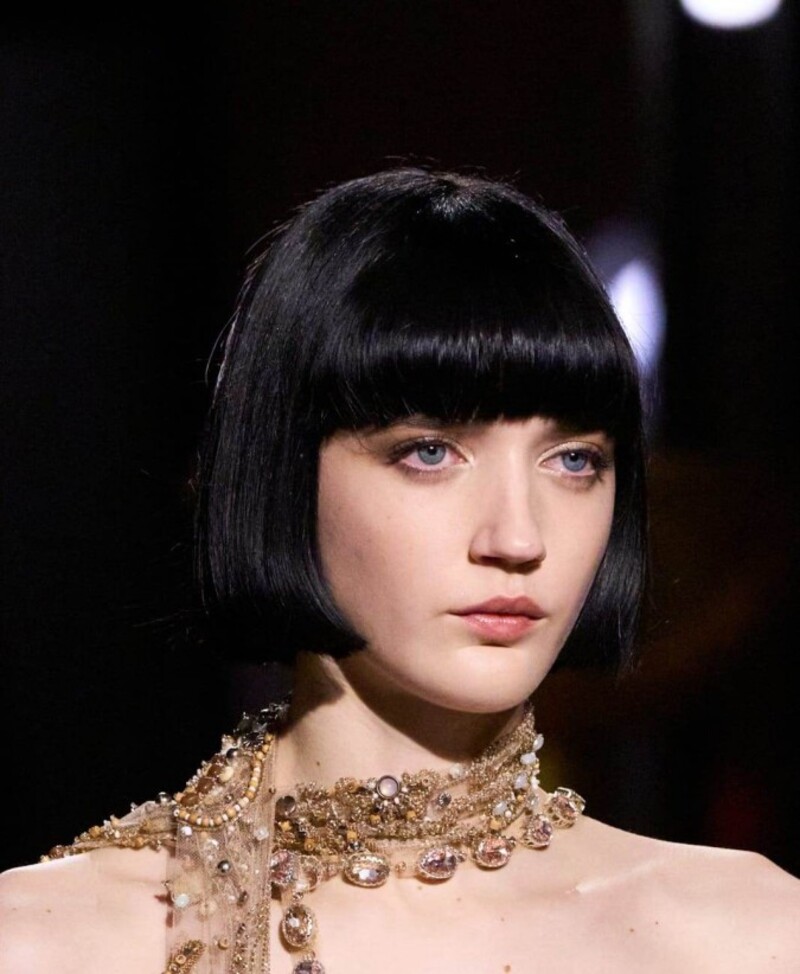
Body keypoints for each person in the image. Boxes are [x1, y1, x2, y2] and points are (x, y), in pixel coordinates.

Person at [1, 168, 798, 973]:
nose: (518, 537)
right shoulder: (51, 942)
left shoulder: (749, 933)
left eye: (572, 460)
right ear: (280, 473)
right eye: (430, 452)